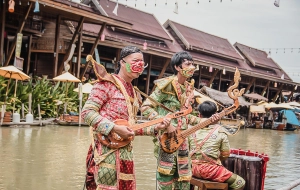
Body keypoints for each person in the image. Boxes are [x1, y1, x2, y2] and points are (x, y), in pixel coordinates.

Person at [81, 46, 171, 190]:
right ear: (122, 62)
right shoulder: (107, 84)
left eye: (142, 62)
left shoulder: (135, 94)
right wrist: (114, 128)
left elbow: (130, 128)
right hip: (105, 151)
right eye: (135, 60)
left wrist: (154, 128)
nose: (139, 65)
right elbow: (87, 113)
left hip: (126, 152)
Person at [141, 51, 209, 189]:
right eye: (188, 64)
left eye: (193, 64)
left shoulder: (189, 88)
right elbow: (146, 107)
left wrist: (205, 121)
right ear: (178, 67)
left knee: (183, 179)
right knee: (166, 176)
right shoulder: (166, 84)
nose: (192, 67)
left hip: (183, 139)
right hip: (168, 138)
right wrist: (166, 124)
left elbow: (186, 116)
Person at [190, 101, 245, 190]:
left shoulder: (191, 130)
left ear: (199, 115)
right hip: (209, 171)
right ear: (216, 115)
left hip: (191, 168)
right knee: (240, 182)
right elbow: (225, 154)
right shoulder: (221, 131)